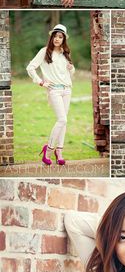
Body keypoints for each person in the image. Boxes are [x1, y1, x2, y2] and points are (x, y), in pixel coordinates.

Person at [26, 23, 75, 165]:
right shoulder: (44, 51)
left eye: (60, 36)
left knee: (64, 122)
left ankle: (59, 151)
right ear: (52, 37)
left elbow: (70, 72)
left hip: (67, 89)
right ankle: (48, 149)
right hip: (54, 90)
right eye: (55, 36)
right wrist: (40, 82)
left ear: (64, 39)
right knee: (62, 120)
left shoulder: (65, 53)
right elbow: (30, 68)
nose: (57, 39)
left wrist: (72, 68)